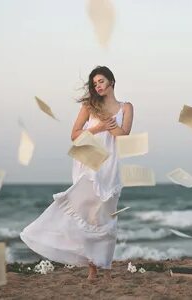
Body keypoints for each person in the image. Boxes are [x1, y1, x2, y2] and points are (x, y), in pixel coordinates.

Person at [20, 66, 134, 281]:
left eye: (101, 81)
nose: (98, 86)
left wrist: (110, 128)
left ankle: (106, 266)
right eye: (94, 84)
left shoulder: (126, 107)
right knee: (85, 213)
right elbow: (75, 135)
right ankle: (92, 267)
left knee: (106, 215)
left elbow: (124, 134)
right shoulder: (89, 106)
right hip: (89, 163)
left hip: (110, 166)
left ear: (111, 82)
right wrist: (99, 128)